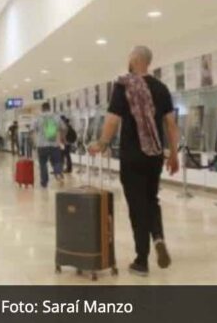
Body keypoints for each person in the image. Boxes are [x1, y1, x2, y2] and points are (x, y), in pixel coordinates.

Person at [89, 46, 180, 277]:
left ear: (134, 59)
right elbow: (171, 124)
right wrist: (174, 154)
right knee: (151, 199)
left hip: (132, 155)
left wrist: (101, 143)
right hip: (155, 155)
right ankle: (158, 238)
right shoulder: (161, 88)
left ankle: (142, 260)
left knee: (137, 206)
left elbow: (112, 120)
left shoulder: (124, 85)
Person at [33, 102, 66, 188]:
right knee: (57, 161)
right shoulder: (56, 117)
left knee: (43, 164)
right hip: (54, 144)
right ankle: (58, 173)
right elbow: (64, 128)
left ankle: (44, 182)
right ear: (49, 108)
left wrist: (34, 142)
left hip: (41, 145)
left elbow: (32, 130)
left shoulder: (37, 118)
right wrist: (62, 139)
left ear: (42, 109)